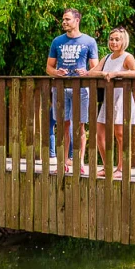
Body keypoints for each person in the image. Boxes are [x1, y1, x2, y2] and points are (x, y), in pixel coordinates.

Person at [46, 9, 98, 173]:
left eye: (67, 19)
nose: (64, 22)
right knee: (62, 126)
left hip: (81, 89)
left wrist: (88, 73)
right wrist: (56, 73)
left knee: (80, 126)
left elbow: (95, 68)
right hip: (61, 88)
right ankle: (63, 163)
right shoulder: (57, 41)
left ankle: (80, 162)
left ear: (77, 20)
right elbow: (48, 67)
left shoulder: (89, 42)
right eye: (63, 20)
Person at [90, 28, 135, 179]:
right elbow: (92, 72)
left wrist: (116, 74)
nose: (113, 42)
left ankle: (122, 167)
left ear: (123, 41)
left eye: (117, 39)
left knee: (120, 134)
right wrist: (104, 73)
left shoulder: (127, 57)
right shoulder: (107, 57)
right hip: (108, 99)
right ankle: (107, 166)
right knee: (100, 134)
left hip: (122, 98)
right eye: (111, 39)